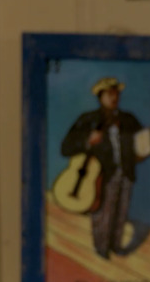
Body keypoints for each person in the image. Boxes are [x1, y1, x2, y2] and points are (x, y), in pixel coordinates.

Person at [61, 77, 144, 259]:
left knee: (121, 212)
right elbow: (65, 147)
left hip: (126, 173)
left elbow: (141, 141)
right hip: (102, 175)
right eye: (109, 94)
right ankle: (101, 250)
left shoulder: (128, 119)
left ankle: (116, 246)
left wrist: (141, 152)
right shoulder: (88, 119)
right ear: (100, 97)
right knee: (102, 214)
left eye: (116, 94)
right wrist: (87, 140)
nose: (114, 97)